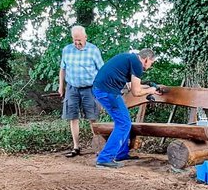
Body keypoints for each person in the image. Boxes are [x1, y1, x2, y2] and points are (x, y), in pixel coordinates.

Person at [92, 48, 161, 168]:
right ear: (146, 60)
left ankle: (121, 154)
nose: (150, 66)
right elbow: (136, 92)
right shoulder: (137, 65)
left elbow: (131, 86)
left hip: (102, 89)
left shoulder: (131, 59)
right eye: (151, 63)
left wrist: (150, 87)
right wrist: (150, 90)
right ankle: (104, 158)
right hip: (108, 92)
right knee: (124, 124)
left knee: (124, 122)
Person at [59, 25, 104, 157]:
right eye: (75, 40)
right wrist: (61, 86)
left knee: (92, 117)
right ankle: (76, 147)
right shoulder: (67, 50)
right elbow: (62, 69)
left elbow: (102, 70)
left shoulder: (93, 50)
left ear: (85, 37)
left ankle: (98, 147)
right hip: (72, 87)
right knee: (72, 116)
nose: (77, 43)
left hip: (90, 88)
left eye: (79, 40)